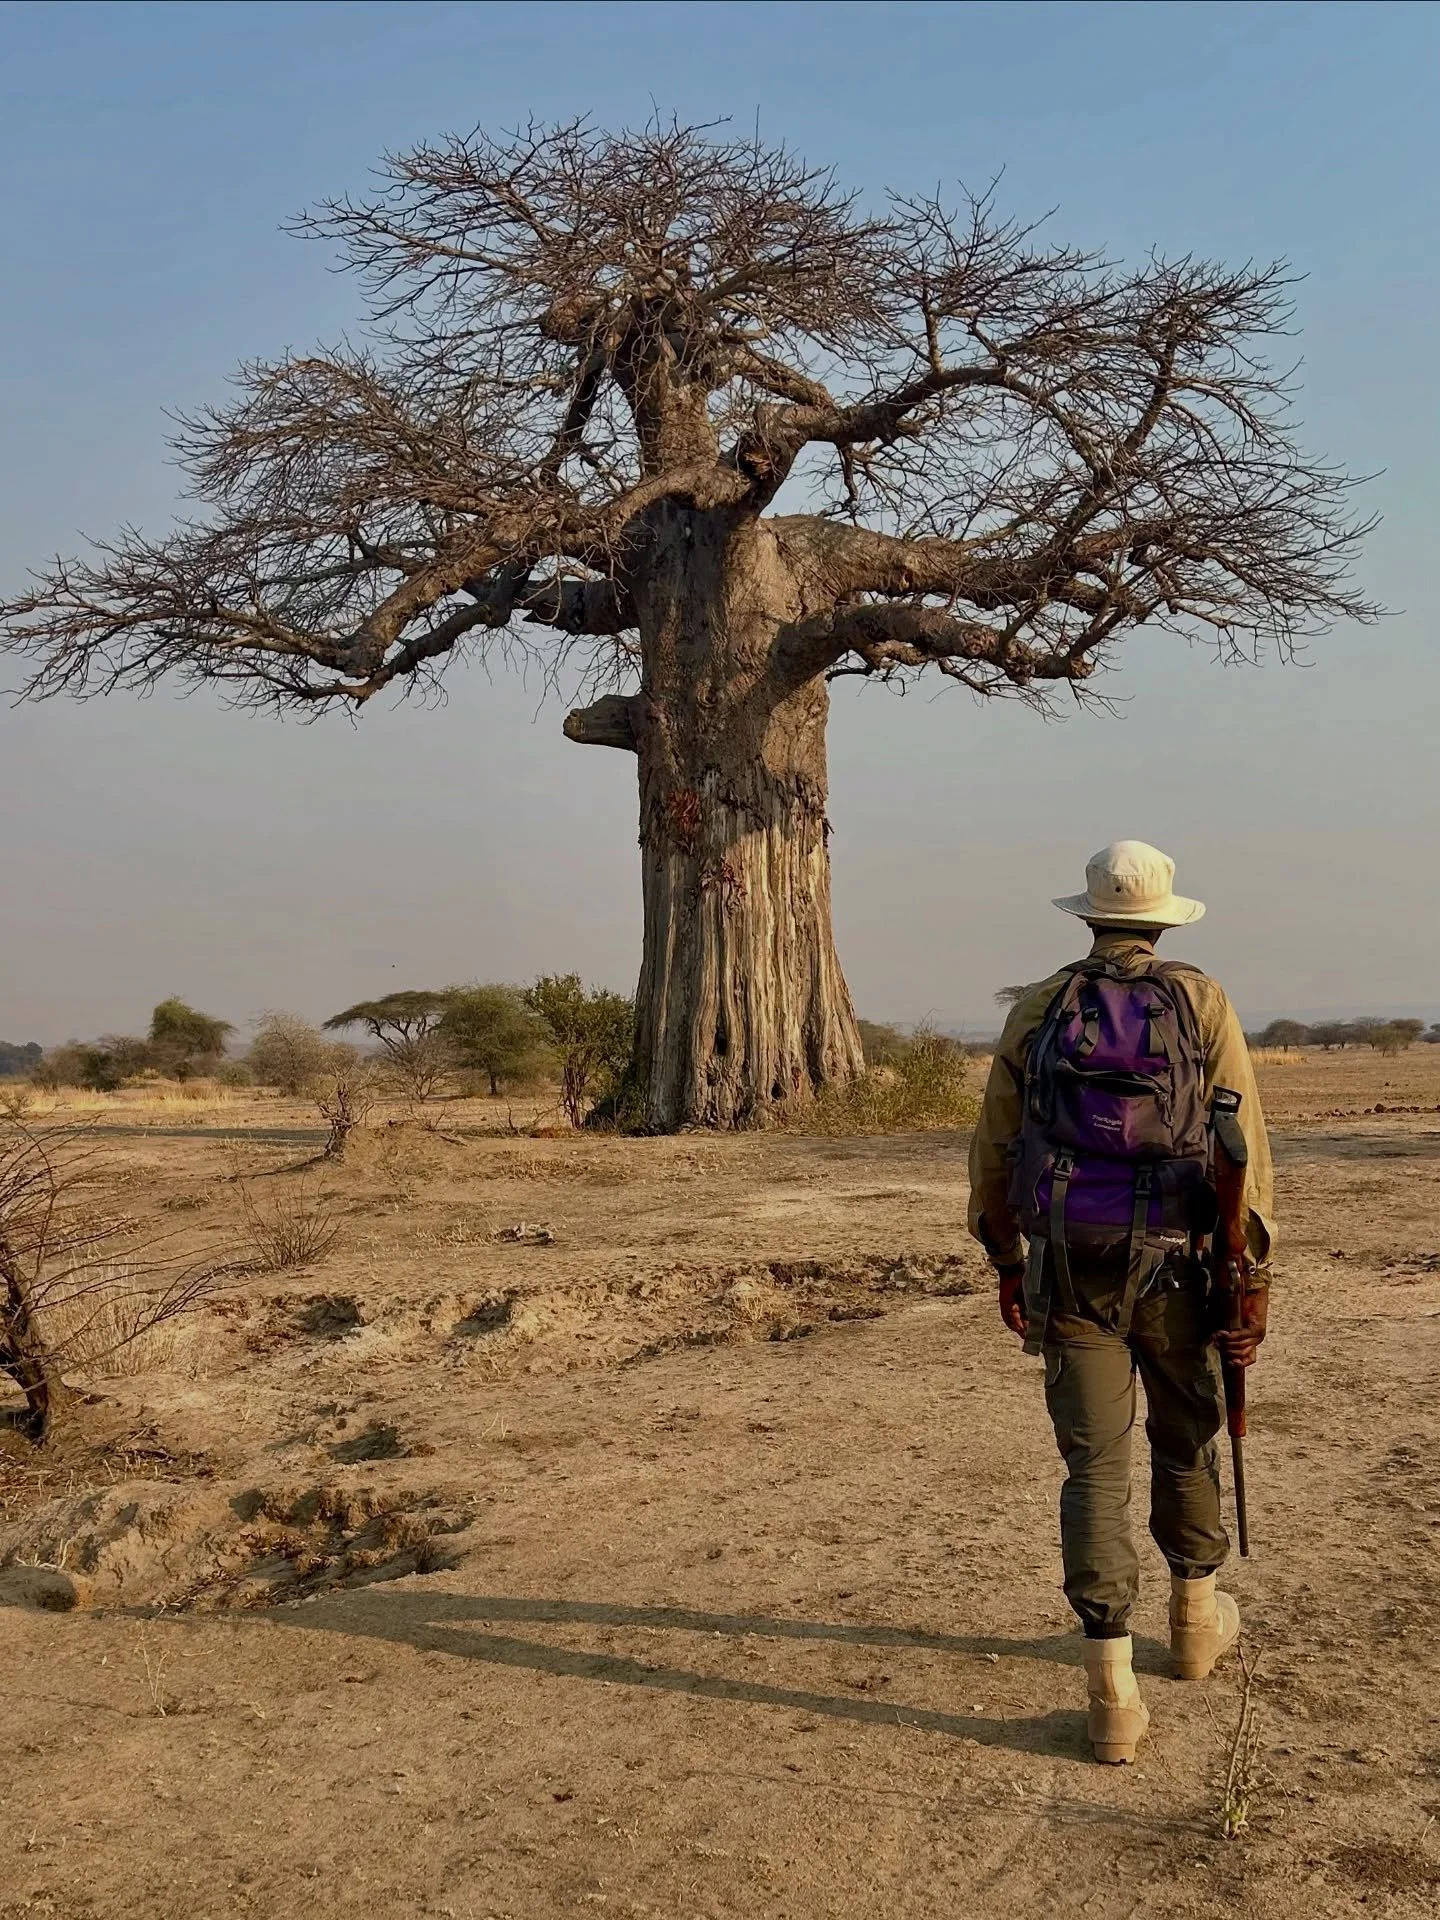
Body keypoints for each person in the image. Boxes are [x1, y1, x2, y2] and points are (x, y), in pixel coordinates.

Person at [968, 841, 1273, 1765]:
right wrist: (1250, 1279)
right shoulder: (1202, 999)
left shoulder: (1038, 1005)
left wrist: (1007, 1261)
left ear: (1090, 916)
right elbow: (1243, 1153)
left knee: (1093, 1469)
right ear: (1164, 916)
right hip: (1181, 1270)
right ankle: (1191, 1625)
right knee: (1186, 1438)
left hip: (1071, 1266)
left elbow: (993, 1150)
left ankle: (1111, 1695)